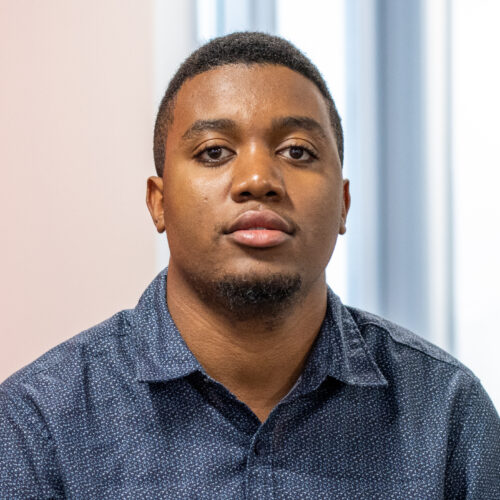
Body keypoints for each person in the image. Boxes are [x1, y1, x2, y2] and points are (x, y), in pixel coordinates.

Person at [0, 32, 498, 499]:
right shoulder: (36, 427)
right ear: (158, 202)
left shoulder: (447, 415)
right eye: (214, 151)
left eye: (297, 151)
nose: (258, 179)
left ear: (344, 204)